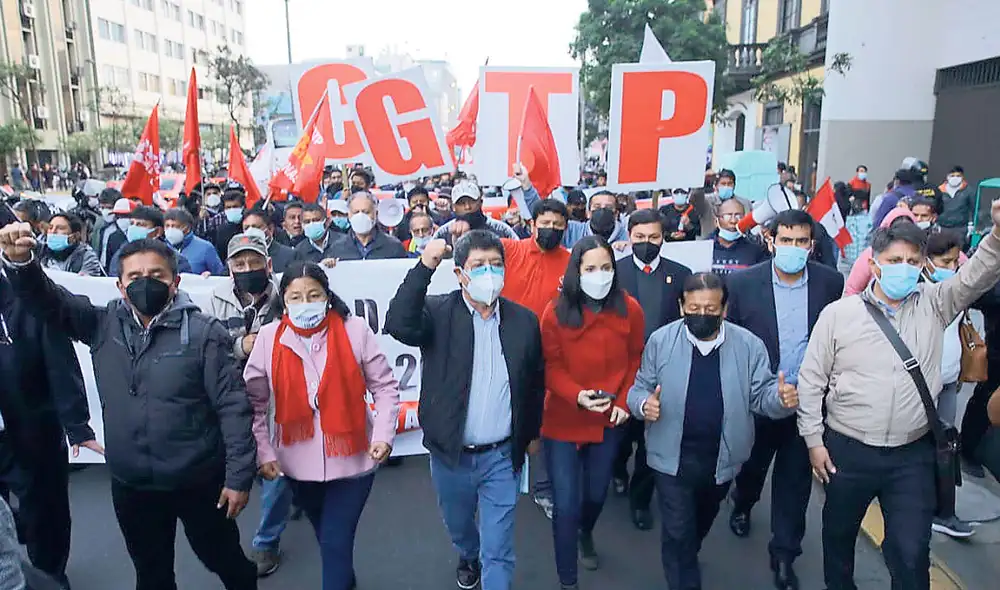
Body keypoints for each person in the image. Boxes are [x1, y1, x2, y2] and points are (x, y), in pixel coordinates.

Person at [0, 230, 259, 590]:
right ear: (120, 287)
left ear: (175, 282)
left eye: (156, 276)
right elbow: (50, 302)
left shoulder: (204, 334)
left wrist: (237, 478)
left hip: (197, 480)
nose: (145, 285)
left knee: (222, 558)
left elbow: (233, 406)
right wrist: (22, 265)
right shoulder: (102, 324)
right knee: (151, 574)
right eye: (134, 278)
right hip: (132, 484)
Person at [797, 202, 1000, 590]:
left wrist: (998, 236)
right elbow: (811, 381)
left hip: (911, 456)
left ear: (922, 264)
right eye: (894, 260)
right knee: (838, 541)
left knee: (910, 554)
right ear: (874, 265)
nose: (903, 267)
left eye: (911, 260)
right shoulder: (839, 315)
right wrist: (813, 441)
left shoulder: (936, 304)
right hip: (847, 451)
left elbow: (976, 277)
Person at [385, 232, 545, 590]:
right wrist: (425, 265)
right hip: (451, 455)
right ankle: (467, 552)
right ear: (460, 274)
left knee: (499, 547)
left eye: (496, 265)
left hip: (502, 457)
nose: (489, 273)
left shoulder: (524, 321)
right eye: (478, 266)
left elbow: (534, 382)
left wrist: (532, 433)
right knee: (459, 524)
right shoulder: (439, 313)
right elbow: (398, 322)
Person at [627, 272, 798, 590]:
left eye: (710, 308)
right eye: (694, 307)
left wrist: (781, 400)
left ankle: (687, 554)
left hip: (722, 460)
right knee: (678, 530)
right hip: (671, 458)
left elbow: (761, 397)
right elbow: (639, 389)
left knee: (699, 523)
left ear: (724, 309)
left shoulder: (749, 346)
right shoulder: (661, 341)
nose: (701, 315)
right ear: (682, 307)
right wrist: (643, 405)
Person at [245, 261, 399, 589]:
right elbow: (254, 405)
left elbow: (384, 387)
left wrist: (384, 434)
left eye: (313, 295)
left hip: (356, 459)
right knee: (327, 537)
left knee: (334, 540)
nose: (305, 304)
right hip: (295, 465)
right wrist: (263, 452)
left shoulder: (354, 330)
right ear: (283, 300)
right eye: (296, 297)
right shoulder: (270, 338)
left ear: (327, 296)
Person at [723, 210, 844, 590]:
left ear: (812, 245)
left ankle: (784, 556)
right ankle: (742, 503)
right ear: (770, 240)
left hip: (807, 401)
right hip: (760, 397)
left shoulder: (830, 283)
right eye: (786, 240)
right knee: (753, 467)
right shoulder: (743, 283)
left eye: (802, 241)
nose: (794, 248)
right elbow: (734, 342)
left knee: (794, 482)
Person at [539, 236, 643, 590]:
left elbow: (636, 359)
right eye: (590, 269)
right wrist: (577, 395)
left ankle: (586, 531)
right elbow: (550, 366)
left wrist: (625, 401)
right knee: (565, 504)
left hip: (609, 420)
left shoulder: (630, 309)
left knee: (595, 495)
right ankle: (567, 578)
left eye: (606, 268)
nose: (599, 276)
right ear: (576, 272)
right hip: (564, 419)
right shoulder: (554, 312)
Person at [0, 269, 101, 588]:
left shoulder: (26, 300)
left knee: (45, 510)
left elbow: (59, 362)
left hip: (28, 428)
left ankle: (50, 574)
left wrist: (77, 425)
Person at [207, 233, 288, 577]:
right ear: (229, 269)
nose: (248, 269)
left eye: (254, 262)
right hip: (232, 394)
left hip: (278, 394)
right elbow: (209, 347)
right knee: (238, 462)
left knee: (276, 468)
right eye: (239, 264)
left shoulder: (286, 295)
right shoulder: (215, 300)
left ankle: (266, 542)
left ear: (268, 265)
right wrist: (243, 345)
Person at [613, 209, 692, 531]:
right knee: (619, 436)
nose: (647, 244)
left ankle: (640, 500)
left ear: (664, 238)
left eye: (654, 238)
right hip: (621, 371)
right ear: (629, 236)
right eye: (640, 238)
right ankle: (617, 471)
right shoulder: (614, 272)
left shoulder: (681, 273)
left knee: (652, 441)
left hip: (663, 373)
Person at [495, 196, 572, 522]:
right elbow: (472, 244)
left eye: (557, 225)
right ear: (531, 224)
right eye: (545, 224)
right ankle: (501, 474)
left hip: (551, 353)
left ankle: (542, 486)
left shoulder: (572, 260)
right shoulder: (508, 250)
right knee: (504, 411)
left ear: (566, 228)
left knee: (545, 419)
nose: (550, 229)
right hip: (506, 347)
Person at [919, 230, 975, 538]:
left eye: (955, 261)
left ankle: (943, 511)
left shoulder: (957, 290)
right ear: (927, 261)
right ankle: (929, 507)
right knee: (926, 443)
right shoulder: (917, 290)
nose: (951, 266)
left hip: (950, 378)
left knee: (946, 443)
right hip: (923, 381)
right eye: (944, 261)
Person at [516, 167, 627, 248]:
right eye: (597, 206)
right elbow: (542, 213)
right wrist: (526, 185)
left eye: (608, 207)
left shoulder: (628, 235)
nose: (602, 210)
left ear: (616, 213)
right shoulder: (572, 231)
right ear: (588, 213)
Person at [843, 208, 918, 296]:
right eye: (894, 260)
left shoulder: (918, 254)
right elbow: (852, 288)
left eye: (912, 261)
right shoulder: (870, 254)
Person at [109, 206, 193, 277]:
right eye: (132, 223)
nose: (134, 228)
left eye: (140, 224)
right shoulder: (120, 256)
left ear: (157, 232)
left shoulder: (175, 259)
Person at [328, 192, 407, 261]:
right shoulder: (337, 248)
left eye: (366, 212)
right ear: (349, 215)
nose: (361, 216)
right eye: (356, 212)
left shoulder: (394, 246)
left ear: (376, 213)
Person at [433, 181, 518, 241]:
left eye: (472, 201)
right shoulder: (442, 233)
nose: (467, 207)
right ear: (453, 207)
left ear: (481, 202)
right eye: (462, 203)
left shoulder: (502, 230)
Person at [711, 198, 769, 275]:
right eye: (728, 216)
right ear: (716, 221)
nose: (733, 221)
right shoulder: (704, 247)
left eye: (739, 216)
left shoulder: (756, 249)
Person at [164, 209, 225, 276]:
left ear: (187, 228)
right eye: (167, 226)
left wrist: (210, 276)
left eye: (175, 226)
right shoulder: (161, 247)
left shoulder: (205, 248)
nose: (170, 230)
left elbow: (220, 274)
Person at [242, 208, 296, 274]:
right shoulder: (238, 256)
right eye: (246, 228)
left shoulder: (289, 255)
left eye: (256, 227)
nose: (250, 231)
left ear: (270, 228)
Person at [98, 197, 134, 274]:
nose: (121, 219)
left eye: (125, 216)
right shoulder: (112, 236)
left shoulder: (139, 235)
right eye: (118, 216)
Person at [212, 190, 248, 262]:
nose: (232, 210)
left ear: (243, 207)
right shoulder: (221, 230)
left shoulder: (250, 226)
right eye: (228, 207)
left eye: (235, 207)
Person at [937, 166, 974, 231]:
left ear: (962, 177)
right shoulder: (939, 190)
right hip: (942, 227)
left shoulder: (969, 191)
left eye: (958, 176)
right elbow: (934, 208)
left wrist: (971, 224)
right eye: (952, 175)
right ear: (947, 177)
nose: (955, 178)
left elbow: (975, 209)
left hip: (961, 228)